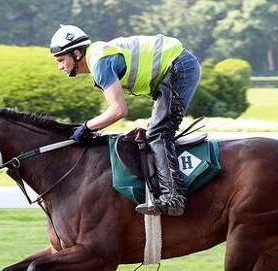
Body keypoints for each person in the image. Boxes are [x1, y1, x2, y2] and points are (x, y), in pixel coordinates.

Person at [49, 25, 201, 217]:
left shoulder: (100, 64)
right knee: (155, 131)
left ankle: (173, 197)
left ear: (77, 53)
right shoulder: (98, 57)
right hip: (174, 66)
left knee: (158, 133)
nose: (60, 67)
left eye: (61, 60)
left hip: (179, 66)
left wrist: (86, 127)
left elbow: (118, 111)